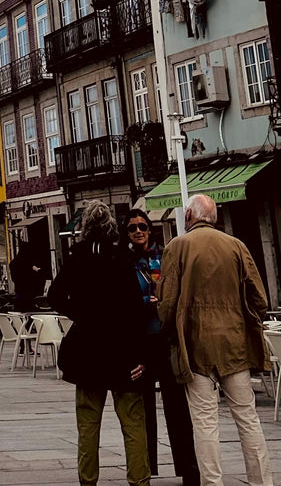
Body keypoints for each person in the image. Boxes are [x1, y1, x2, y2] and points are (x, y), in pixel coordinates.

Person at [158, 192, 274, 486]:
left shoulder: (176, 247)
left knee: (204, 422)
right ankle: (262, 482)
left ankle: (212, 483)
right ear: (215, 218)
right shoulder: (236, 246)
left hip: (194, 346)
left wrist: (166, 323)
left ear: (188, 217)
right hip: (234, 344)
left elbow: (167, 303)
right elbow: (259, 298)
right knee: (248, 419)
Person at [47, 201, 150, 486]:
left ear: (85, 227)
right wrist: (140, 354)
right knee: (133, 422)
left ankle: (88, 480)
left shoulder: (77, 257)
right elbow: (135, 309)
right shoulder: (122, 258)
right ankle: (139, 479)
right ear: (111, 227)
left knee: (88, 422)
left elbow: (54, 296)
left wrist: (80, 314)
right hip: (122, 352)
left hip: (87, 351)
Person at [124, 208, 199, 486]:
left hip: (167, 340)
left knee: (178, 408)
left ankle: (189, 469)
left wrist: (165, 301)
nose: (138, 231)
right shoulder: (124, 261)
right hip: (141, 342)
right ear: (127, 232)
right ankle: (145, 469)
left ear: (150, 228)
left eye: (142, 226)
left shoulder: (166, 256)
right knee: (142, 411)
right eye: (132, 228)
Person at [10, 244, 43, 312]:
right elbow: (37, 277)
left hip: (19, 293)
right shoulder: (29, 264)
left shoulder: (13, 263)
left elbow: (14, 278)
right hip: (31, 295)